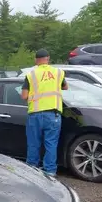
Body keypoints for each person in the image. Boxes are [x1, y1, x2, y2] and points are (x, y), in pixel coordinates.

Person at [21, 49, 68, 178]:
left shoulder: (31, 74)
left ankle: (32, 169)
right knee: (51, 143)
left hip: (35, 114)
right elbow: (65, 87)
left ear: (36, 60)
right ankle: (50, 171)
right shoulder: (58, 72)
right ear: (48, 58)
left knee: (33, 144)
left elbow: (24, 96)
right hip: (53, 114)